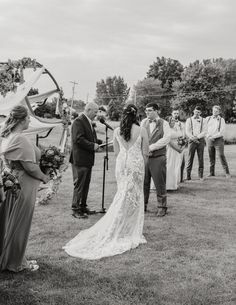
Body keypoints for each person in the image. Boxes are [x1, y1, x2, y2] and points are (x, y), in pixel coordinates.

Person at [63, 104, 149, 260]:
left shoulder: (117, 131)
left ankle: (118, 222)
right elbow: (145, 153)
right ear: (137, 116)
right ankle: (128, 227)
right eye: (95, 111)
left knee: (122, 193)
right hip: (135, 165)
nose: (96, 114)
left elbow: (117, 153)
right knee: (134, 195)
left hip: (122, 165)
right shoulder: (142, 130)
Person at [0, 105, 49, 272]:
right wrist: (44, 176)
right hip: (23, 184)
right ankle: (16, 261)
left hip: (14, 182)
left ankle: (14, 257)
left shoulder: (9, 136)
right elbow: (30, 166)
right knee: (20, 223)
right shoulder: (19, 138)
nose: (30, 120)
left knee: (12, 222)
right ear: (21, 120)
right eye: (28, 118)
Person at [69, 102, 102, 219]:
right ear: (88, 110)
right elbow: (78, 139)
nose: (96, 114)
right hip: (80, 159)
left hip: (87, 159)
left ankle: (83, 206)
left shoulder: (88, 122)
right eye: (95, 111)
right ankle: (76, 209)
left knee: (86, 184)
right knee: (79, 184)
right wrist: (92, 145)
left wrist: (99, 142)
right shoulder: (79, 121)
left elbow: (90, 137)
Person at [141, 102, 171, 217]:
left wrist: (151, 147)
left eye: (149, 110)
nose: (147, 112)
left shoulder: (165, 123)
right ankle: (143, 205)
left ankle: (162, 207)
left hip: (158, 157)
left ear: (157, 111)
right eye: (146, 110)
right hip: (145, 157)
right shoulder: (143, 122)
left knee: (160, 183)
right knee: (144, 182)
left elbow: (166, 139)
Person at [206, 105, 230, 178]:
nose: (214, 112)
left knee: (221, 155)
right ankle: (211, 172)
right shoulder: (208, 118)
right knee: (211, 156)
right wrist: (209, 136)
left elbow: (221, 132)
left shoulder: (221, 120)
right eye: (213, 110)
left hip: (218, 140)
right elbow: (204, 129)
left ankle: (227, 173)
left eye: (216, 111)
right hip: (209, 139)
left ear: (219, 112)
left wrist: (213, 137)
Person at [185, 106, 207, 181]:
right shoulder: (189, 120)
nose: (197, 113)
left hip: (200, 140)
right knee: (190, 157)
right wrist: (193, 138)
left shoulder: (203, 120)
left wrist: (197, 137)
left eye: (199, 112)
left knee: (201, 158)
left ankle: (200, 176)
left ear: (200, 113)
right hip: (191, 140)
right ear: (193, 111)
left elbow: (205, 131)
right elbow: (187, 131)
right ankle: (188, 176)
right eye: (196, 111)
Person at [166, 109, 186, 190]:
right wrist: (177, 148)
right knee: (170, 165)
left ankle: (175, 183)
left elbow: (182, 136)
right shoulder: (167, 130)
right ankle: (169, 185)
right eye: (171, 121)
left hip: (178, 149)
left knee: (177, 165)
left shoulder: (177, 127)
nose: (173, 122)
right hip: (171, 149)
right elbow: (168, 141)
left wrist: (182, 143)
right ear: (168, 122)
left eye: (174, 121)